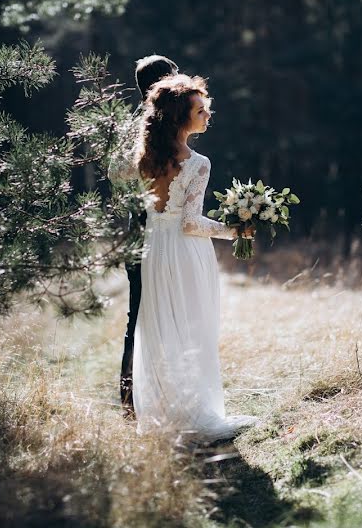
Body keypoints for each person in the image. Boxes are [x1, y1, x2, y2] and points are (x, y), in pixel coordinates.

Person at [110, 74, 257, 443]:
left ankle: (161, 413)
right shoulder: (197, 163)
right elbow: (191, 224)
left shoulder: (141, 158)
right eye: (200, 110)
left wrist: (134, 133)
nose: (208, 114)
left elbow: (114, 174)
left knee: (159, 327)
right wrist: (236, 230)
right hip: (186, 252)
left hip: (152, 248)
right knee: (193, 327)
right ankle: (194, 413)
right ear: (179, 118)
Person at [110, 55, 178, 417]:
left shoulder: (176, 119)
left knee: (164, 315)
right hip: (144, 227)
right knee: (139, 316)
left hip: (164, 229)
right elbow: (115, 172)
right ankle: (131, 401)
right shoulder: (140, 125)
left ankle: (158, 397)